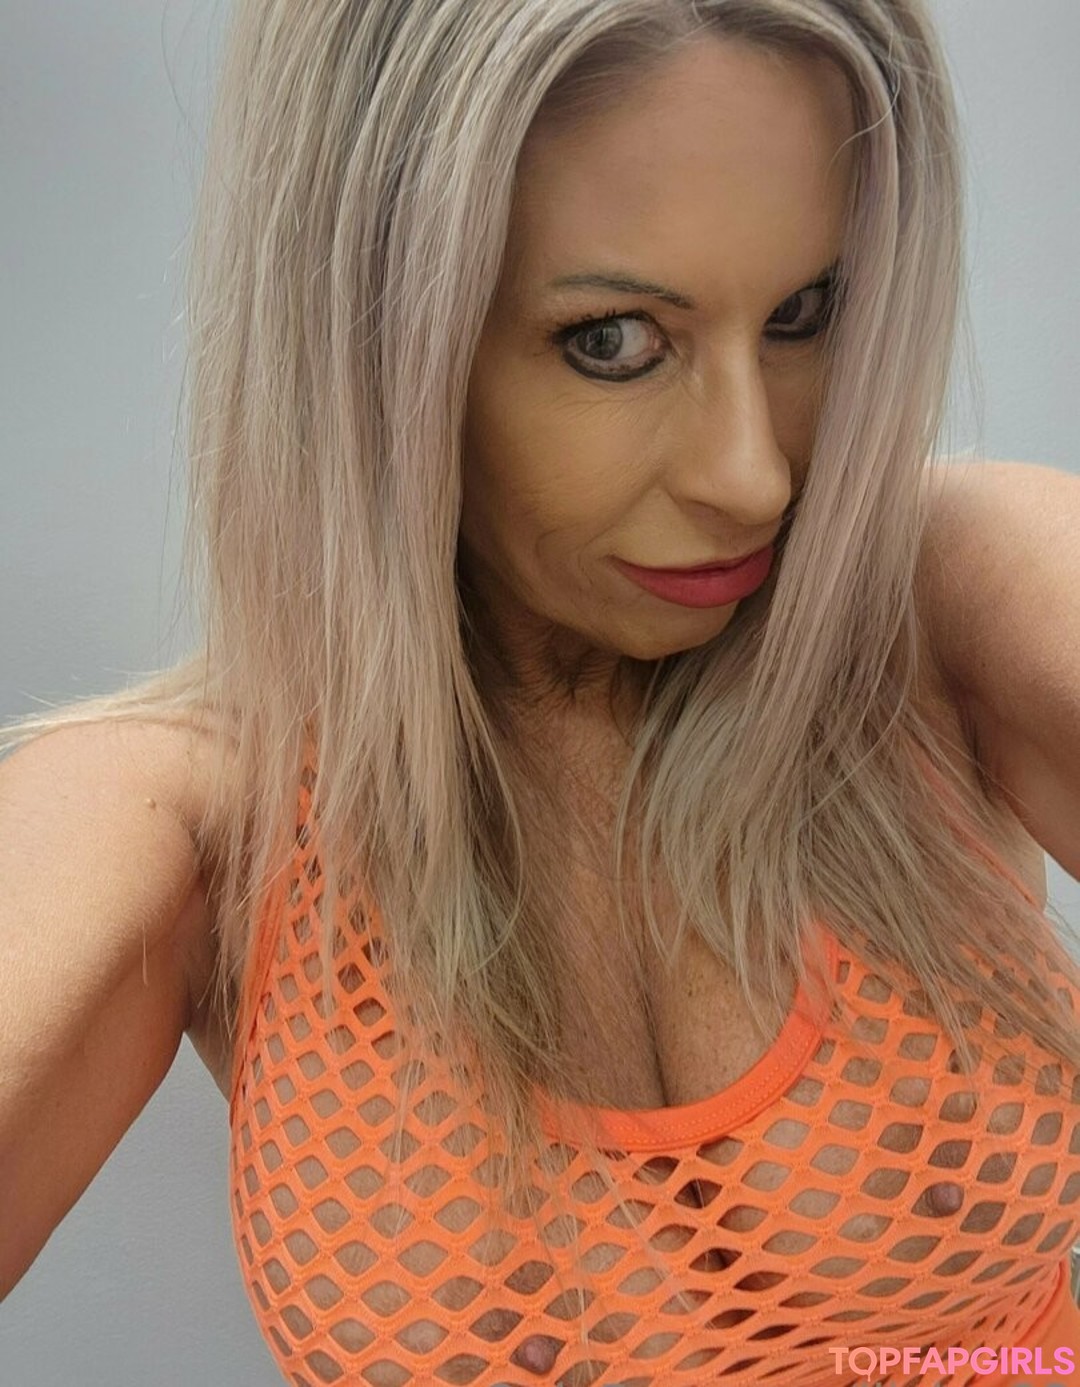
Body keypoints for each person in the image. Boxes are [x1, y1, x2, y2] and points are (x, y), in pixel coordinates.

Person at [2, 0, 1079, 1383]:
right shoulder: (193, 815)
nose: (755, 478)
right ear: (378, 340)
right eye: (614, 341)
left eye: (804, 314)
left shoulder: (939, 601)